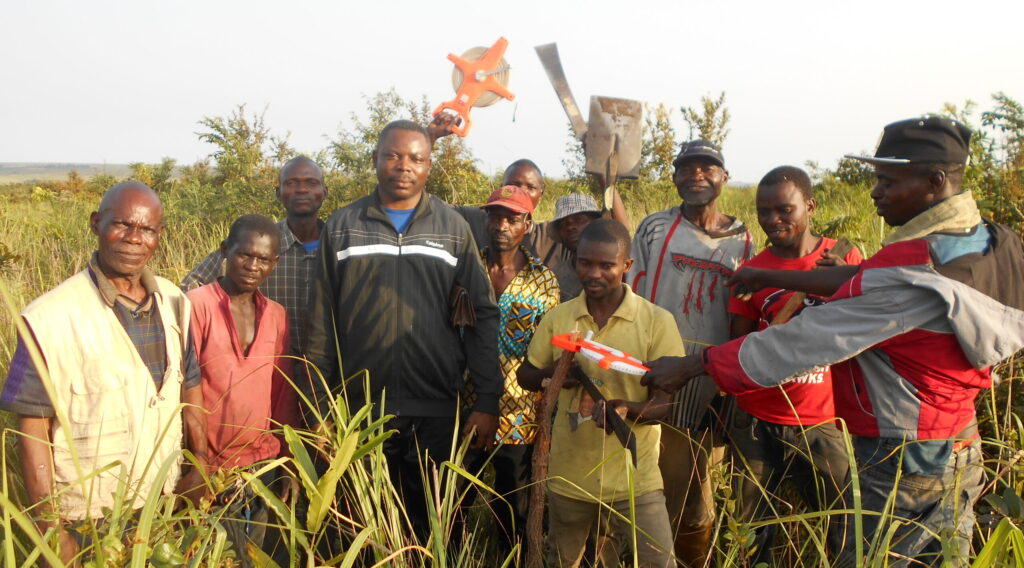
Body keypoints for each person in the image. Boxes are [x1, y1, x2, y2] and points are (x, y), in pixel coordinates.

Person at [642, 117, 1024, 567]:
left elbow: (807, 339)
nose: (875, 192)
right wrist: (766, 274)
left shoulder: (915, 264)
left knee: (869, 556)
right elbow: (867, 280)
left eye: (887, 180)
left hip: (902, 451)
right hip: (961, 440)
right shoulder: (995, 242)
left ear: (935, 181)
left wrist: (693, 365)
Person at [304, 119, 502, 540]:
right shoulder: (343, 227)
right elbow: (321, 321)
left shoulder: (452, 229)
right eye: (393, 156)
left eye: (415, 158)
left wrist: (487, 398)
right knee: (360, 530)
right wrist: (321, 408)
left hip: (435, 410)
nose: (403, 166)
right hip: (358, 412)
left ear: (429, 165)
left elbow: (483, 315)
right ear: (375, 160)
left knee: (431, 530)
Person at [0, 182, 207, 564]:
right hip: (86, 520)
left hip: (162, 505)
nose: (134, 239)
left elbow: (189, 384)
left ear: (159, 236)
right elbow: (31, 428)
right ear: (96, 224)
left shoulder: (175, 302)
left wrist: (200, 465)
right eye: (122, 225)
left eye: (147, 229)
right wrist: (50, 530)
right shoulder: (49, 317)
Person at [518, 219, 683, 568]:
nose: (594, 273)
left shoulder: (657, 322)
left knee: (660, 561)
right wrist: (559, 374)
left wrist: (628, 410)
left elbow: (665, 404)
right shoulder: (560, 318)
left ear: (626, 266)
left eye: (606, 265)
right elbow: (526, 375)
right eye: (584, 262)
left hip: (636, 482)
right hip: (568, 480)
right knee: (561, 561)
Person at [726, 166, 861, 563]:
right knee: (751, 533)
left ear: (810, 206)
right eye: (763, 212)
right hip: (756, 418)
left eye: (784, 210)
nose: (772, 221)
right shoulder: (751, 272)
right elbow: (737, 344)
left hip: (821, 421)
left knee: (843, 529)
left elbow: (866, 326)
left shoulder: (843, 257)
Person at [628, 139, 753, 565]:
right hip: (655, 378)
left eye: (707, 168)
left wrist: (727, 389)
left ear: (723, 178)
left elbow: (744, 317)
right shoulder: (654, 228)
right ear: (675, 176)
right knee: (647, 484)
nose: (696, 175)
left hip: (708, 386)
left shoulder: (743, 241)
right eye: (687, 168)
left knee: (697, 495)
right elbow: (632, 297)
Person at [186, 214, 300, 566]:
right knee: (210, 554)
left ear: (275, 263)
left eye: (263, 259)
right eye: (244, 255)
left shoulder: (277, 315)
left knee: (253, 556)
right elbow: (183, 389)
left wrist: (289, 461)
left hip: (261, 465)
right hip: (208, 467)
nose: (252, 266)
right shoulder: (196, 305)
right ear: (225, 251)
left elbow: (281, 392)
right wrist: (197, 464)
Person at [468, 185, 560, 554]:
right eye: (494, 215)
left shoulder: (543, 281)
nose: (500, 225)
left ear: (527, 224)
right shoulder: (467, 267)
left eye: (511, 218)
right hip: (466, 404)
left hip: (520, 413)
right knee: (453, 500)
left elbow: (548, 351)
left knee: (514, 510)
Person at [182, 155, 328, 356]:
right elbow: (190, 288)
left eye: (311, 183)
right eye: (291, 183)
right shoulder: (261, 243)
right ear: (279, 193)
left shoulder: (340, 246)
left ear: (324, 192)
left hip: (330, 373)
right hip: (267, 369)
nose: (302, 189)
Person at [545, 193, 603, 302]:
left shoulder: (617, 267)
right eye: (563, 224)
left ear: (596, 222)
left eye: (579, 220)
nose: (570, 227)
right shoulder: (555, 277)